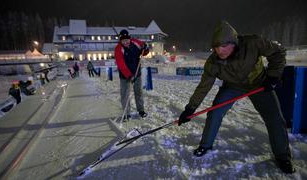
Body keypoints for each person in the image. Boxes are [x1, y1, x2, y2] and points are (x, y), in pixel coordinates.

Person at [178, 21, 295, 174]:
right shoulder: (213, 62)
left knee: (275, 118)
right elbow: (203, 87)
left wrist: (273, 76)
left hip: (259, 83)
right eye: (216, 47)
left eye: (224, 45)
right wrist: (190, 108)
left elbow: (278, 52)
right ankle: (205, 145)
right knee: (215, 112)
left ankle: (282, 155)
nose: (219, 50)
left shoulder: (253, 43)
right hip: (232, 87)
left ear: (234, 42)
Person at [114, 29, 149, 120]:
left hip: (137, 72)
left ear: (130, 39)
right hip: (125, 75)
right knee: (125, 94)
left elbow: (143, 48)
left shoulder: (135, 43)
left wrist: (145, 49)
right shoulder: (118, 49)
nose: (126, 42)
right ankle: (127, 114)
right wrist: (129, 75)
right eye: (123, 40)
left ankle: (141, 110)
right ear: (120, 40)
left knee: (139, 92)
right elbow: (120, 64)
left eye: (127, 40)